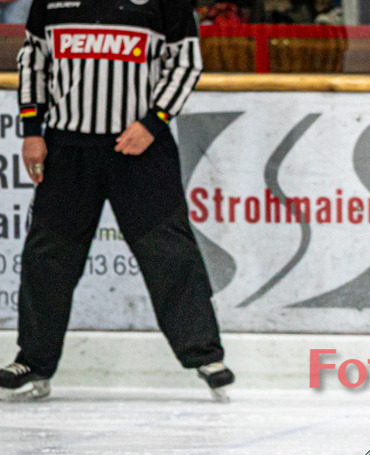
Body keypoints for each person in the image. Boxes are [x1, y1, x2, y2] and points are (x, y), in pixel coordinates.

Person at [3, 0, 234, 402]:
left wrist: (154, 121)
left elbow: (186, 63)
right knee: (48, 256)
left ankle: (204, 355)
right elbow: (34, 61)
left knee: (169, 252)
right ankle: (34, 359)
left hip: (141, 148)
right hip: (67, 145)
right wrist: (31, 129)